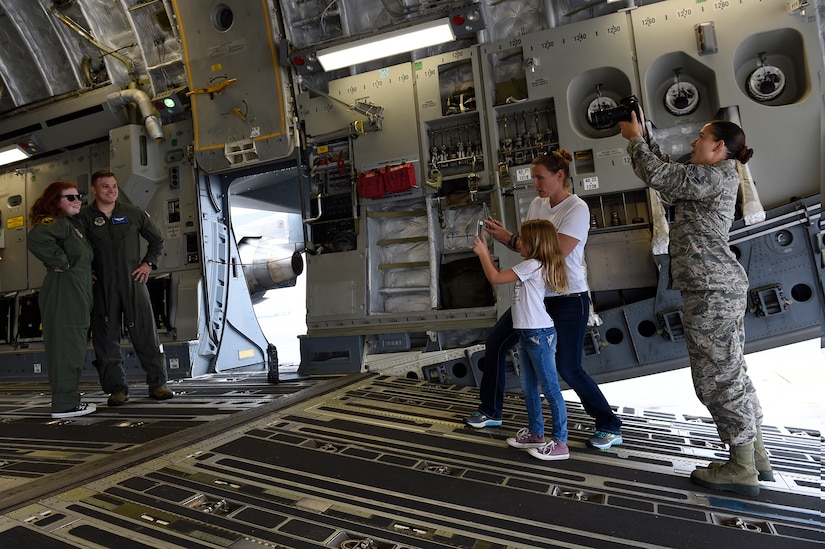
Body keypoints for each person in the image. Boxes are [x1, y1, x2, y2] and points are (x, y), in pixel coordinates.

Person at [619, 111, 770, 496]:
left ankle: (741, 468)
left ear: (718, 147)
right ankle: (755, 454)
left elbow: (657, 176)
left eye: (701, 137)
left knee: (716, 377)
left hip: (711, 292)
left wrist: (636, 140)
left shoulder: (713, 175)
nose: (693, 143)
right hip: (718, 289)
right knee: (731, 370)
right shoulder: (711, 178)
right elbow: (667, 180)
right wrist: (645, 140)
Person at [465, 151, 624, 451]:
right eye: (534, 177)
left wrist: (508, 242)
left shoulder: (576, 208)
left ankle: (609, 425)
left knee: (568, 367)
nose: (534, 183)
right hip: (537, 296)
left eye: (540, 177)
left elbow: (551, 253)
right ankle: (491, 411)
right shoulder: (538, 204)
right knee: (496, 343)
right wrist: (509, 238)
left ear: (559, 176)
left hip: (567, 299)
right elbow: (529, 248)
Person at [473, 219, 571, 460]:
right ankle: (537, 434)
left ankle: (560, 443)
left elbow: (495, 277)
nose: (517, 242)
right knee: (529, 387)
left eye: (521, 239)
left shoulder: (532, 265)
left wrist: (483, 253)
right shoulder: (532, 264)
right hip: (528, 335)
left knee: (550, 390)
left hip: (539, 336)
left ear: (534, 244)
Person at [78, 170, 173, 406]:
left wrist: (148, 263)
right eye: (105, 187)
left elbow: (157, 240)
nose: (111, 191)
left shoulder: (133, 214)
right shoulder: (83, 218)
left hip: (133, 282)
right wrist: (83, 269)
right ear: (94, 190)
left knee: (145, 333)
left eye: (114, 186)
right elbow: (74, 247)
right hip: (102, 286)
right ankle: (117, 389)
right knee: (106, 340)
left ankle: (158, 384)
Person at [27, 182, 96, 418]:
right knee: (66, 347)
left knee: (73, 346)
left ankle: (67, 400)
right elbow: (36, 238)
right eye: (70, 198)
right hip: (64, 290)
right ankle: (65, 404)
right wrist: (61, 262)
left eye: (79, 196)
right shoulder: (54, 222)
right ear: (56, 201)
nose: (77, 200)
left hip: (75, 290)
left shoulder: (70, 225)